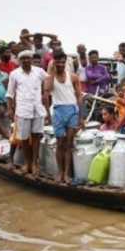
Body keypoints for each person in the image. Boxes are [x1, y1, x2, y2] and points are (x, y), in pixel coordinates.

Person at [6, 50, 48, 176]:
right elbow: (10, 94)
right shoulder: (14, 74)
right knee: (24, 139)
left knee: (36, 137)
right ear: (19, 61)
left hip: (37, 109)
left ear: (31, 59)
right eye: (22, 58)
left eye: (27, 58)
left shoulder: (39, 71)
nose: (25, 60)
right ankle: (27, 163)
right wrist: (10, 108)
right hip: (23, 110)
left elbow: (50, 81)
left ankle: (35, 163)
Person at [44, 51, 83, 184]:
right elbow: (47, 92)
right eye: (57, 61)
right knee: (60, 143)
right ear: (54, 62)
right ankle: (60, 172)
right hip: (58, 111)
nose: (60, 64)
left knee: (69, 143)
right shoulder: (51, 77)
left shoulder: (73, 77)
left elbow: (79, 97)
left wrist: (81, 117)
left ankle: (66, 173)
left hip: (72, 110)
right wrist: (50, 70)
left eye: (62, 61)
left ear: (66, 62)